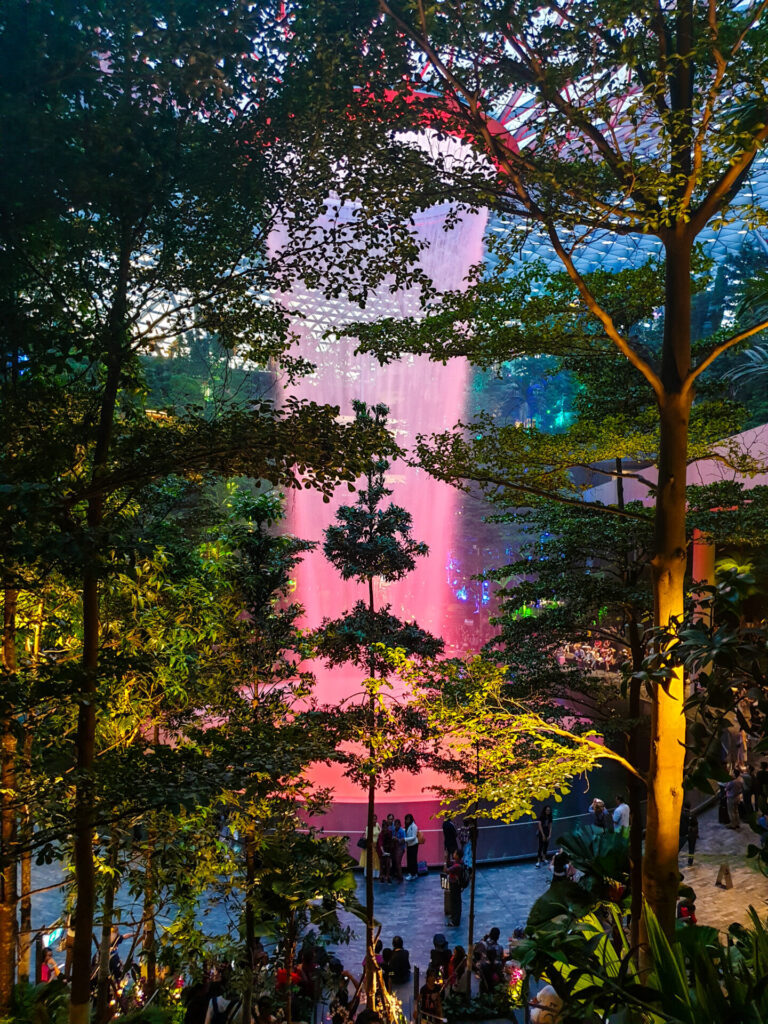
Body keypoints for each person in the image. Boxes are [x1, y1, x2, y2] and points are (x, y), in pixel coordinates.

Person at [446, 850, 463, 926]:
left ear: (457, 856)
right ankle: (454, 917)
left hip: (455, 885)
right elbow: (450, 863)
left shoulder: (457, 866)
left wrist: (444, 861)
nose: (453, 853)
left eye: (455, 853)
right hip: (455, 884)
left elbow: (446, 870)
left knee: (456, 902)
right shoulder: (458, 863)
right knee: (455, 901)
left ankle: (455, 921)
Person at [404, 814, 419, 880]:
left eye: (408, 819)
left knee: (412, 860)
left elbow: (413, 837)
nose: (407, 820)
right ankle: (414, 873)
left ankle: (412, 874)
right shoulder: (409, 826)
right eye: (406, 819)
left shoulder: (414, 826)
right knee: (411, 860)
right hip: (410, 845)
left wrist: (405, 839)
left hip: (413, 845)